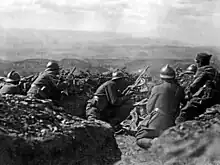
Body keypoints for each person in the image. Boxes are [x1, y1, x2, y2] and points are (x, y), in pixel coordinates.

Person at [135, 64, 185, 149]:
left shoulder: (157, 88)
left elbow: (149, 109)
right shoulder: (179, 89)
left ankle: (156, 143)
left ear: (162, 77)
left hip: (157, 120)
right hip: (171, 123)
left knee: (139, 139)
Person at [175, 53, 220, 124]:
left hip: (206, 98)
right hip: (216, 98)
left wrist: (187, 94)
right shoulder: (214, 70)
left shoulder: (202, 70)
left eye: (197, 62)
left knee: (184, 113)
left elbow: (194, 85)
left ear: (199, 62)